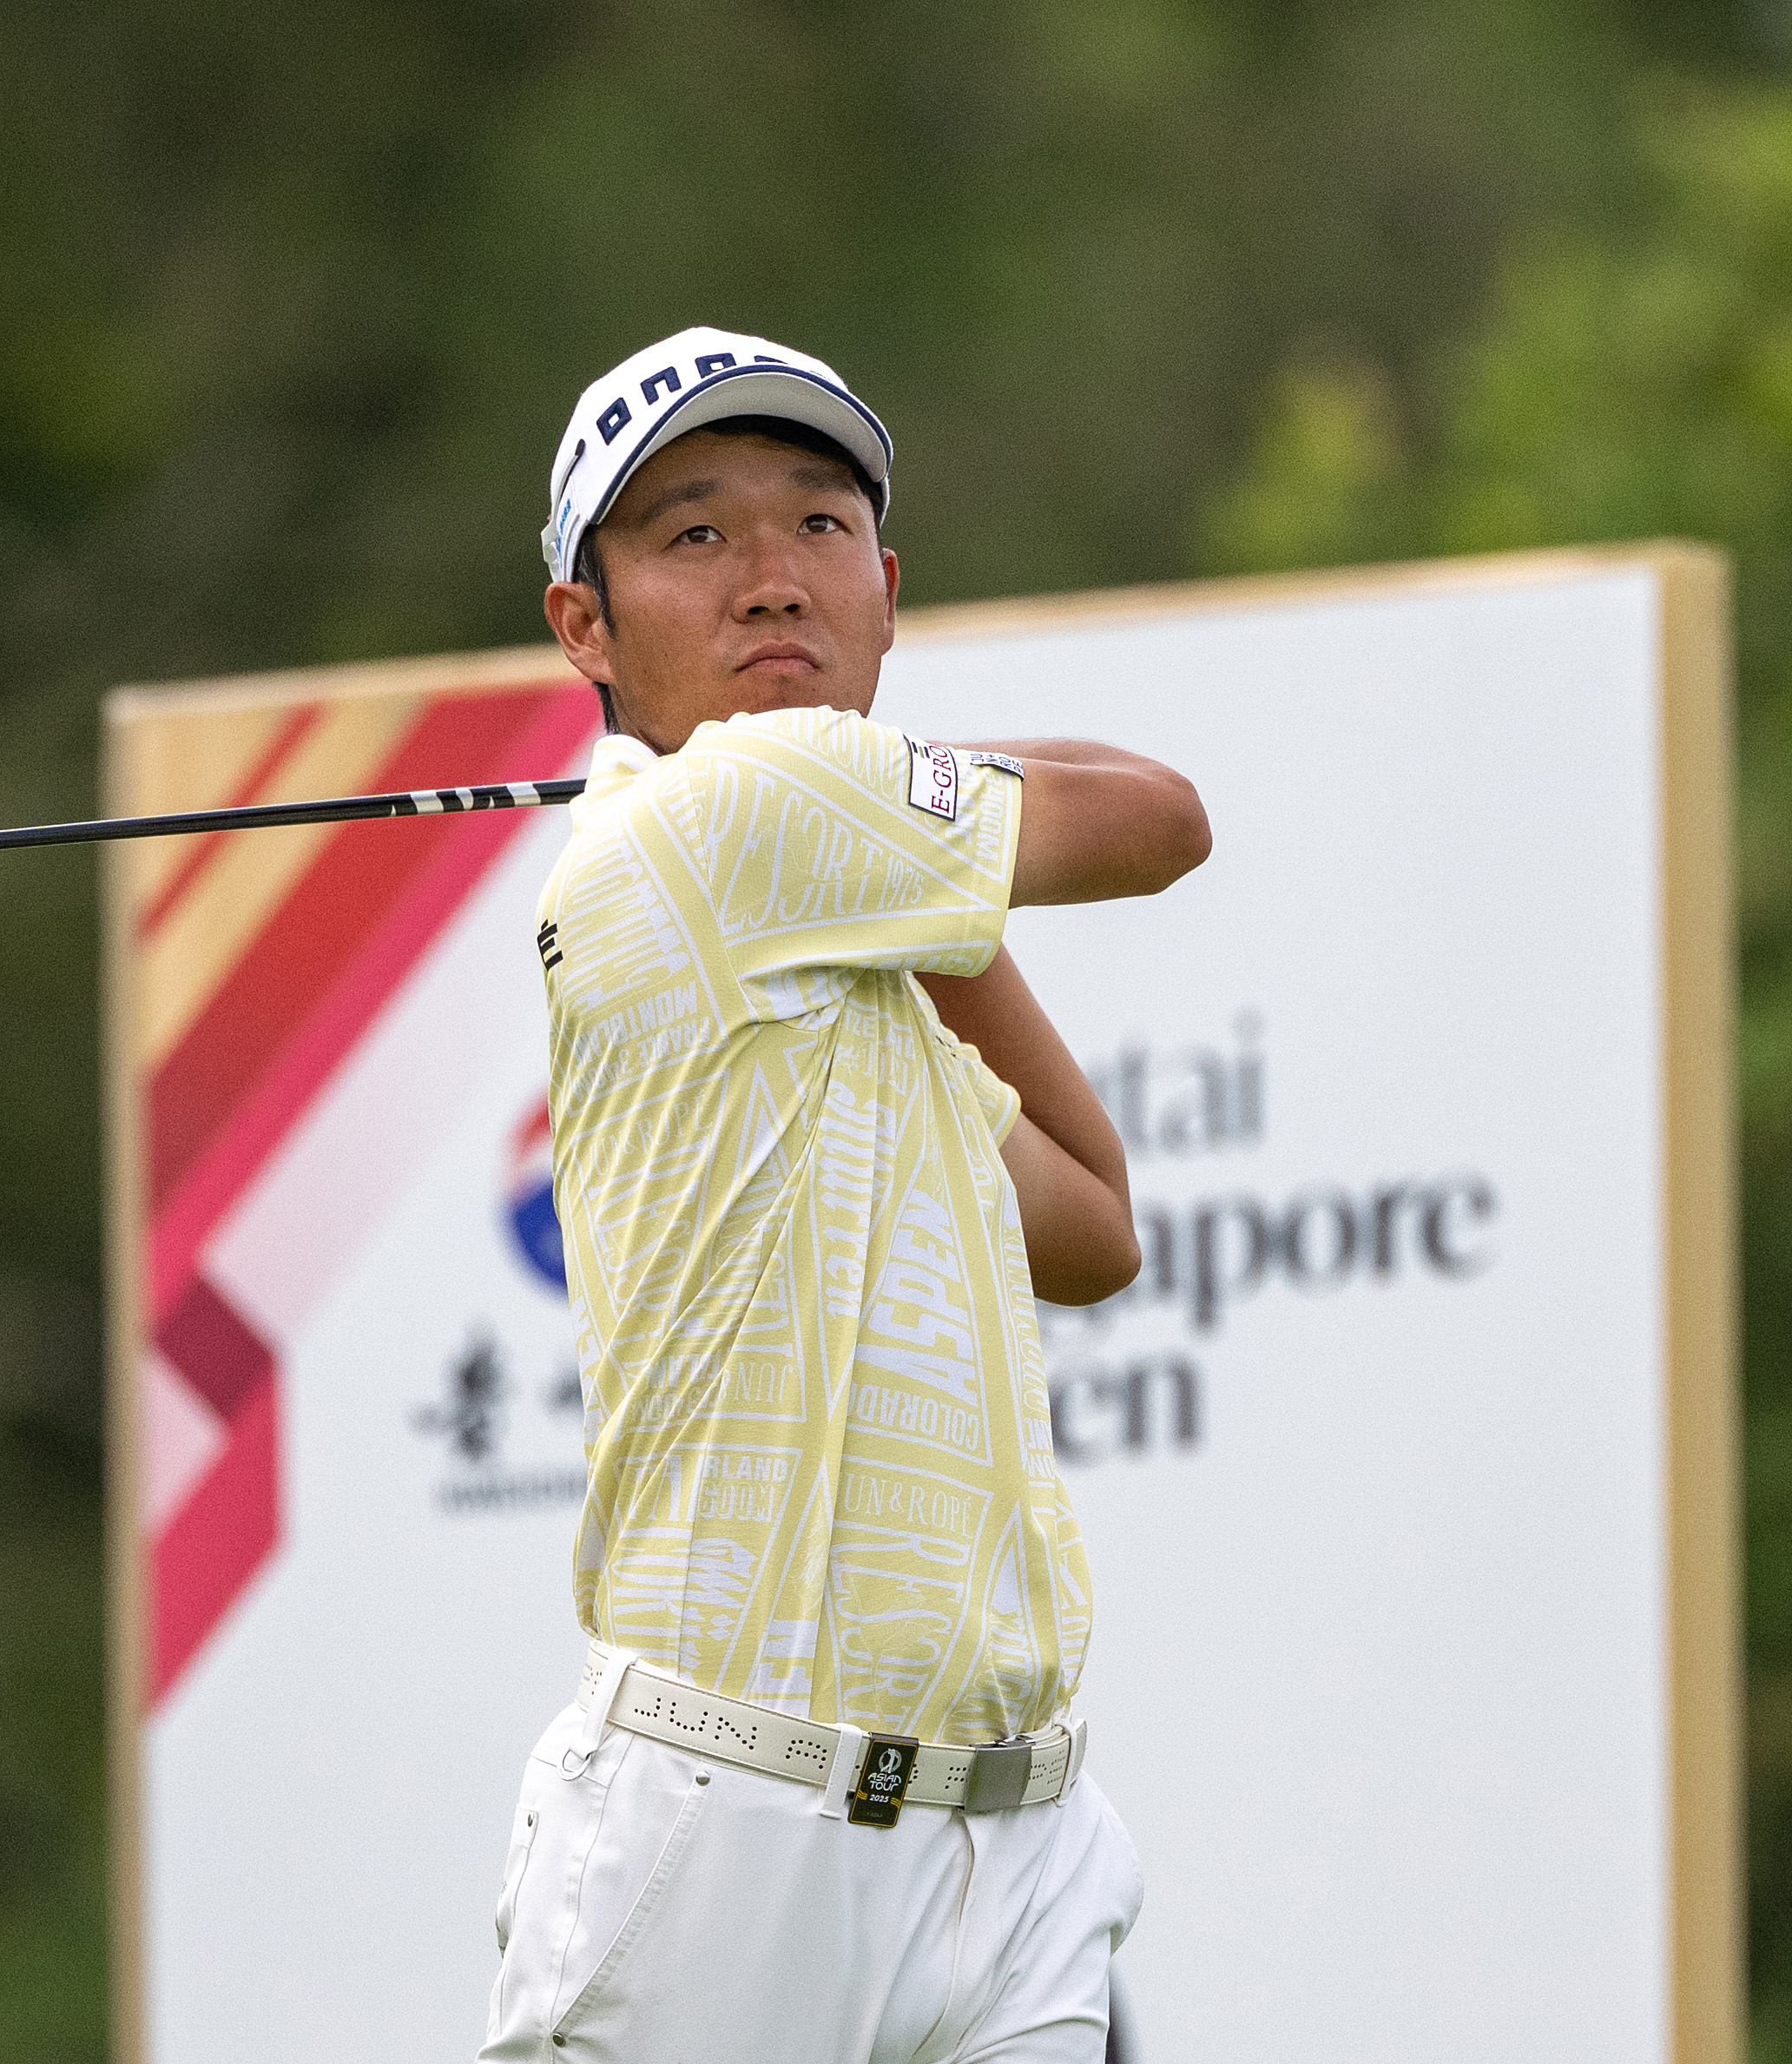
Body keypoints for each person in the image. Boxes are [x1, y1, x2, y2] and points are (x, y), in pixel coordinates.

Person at [483, 326, 1209, 2064]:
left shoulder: (834, 917)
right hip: (727, 1851)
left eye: (817, 528)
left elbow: (1093, 1224)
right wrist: (881, 793)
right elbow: (1162, 817)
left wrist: (914, 884)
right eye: (693, 538)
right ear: (586, 630)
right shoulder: (724, 816)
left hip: (1008, 1842)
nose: (768, 582)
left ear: (887, 587)